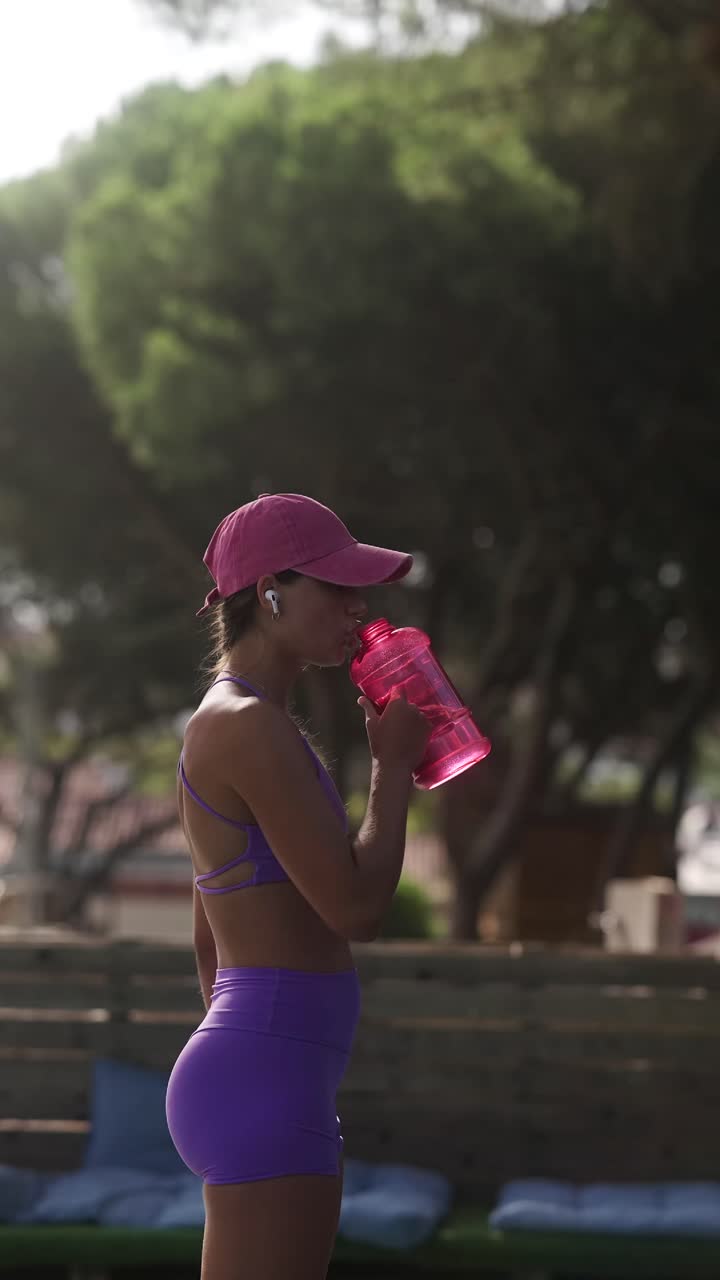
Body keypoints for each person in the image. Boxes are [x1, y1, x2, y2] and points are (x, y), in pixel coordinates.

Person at [166, 493, 431, 1280]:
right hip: (268, 1081)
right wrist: (393, 768)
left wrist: (257, 1052)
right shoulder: (248, 728)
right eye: (337, 587)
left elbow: (209, 936)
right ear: (270, 593)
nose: (358, 608)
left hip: (265, 1077)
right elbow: (358, 909)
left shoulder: (237, 720)